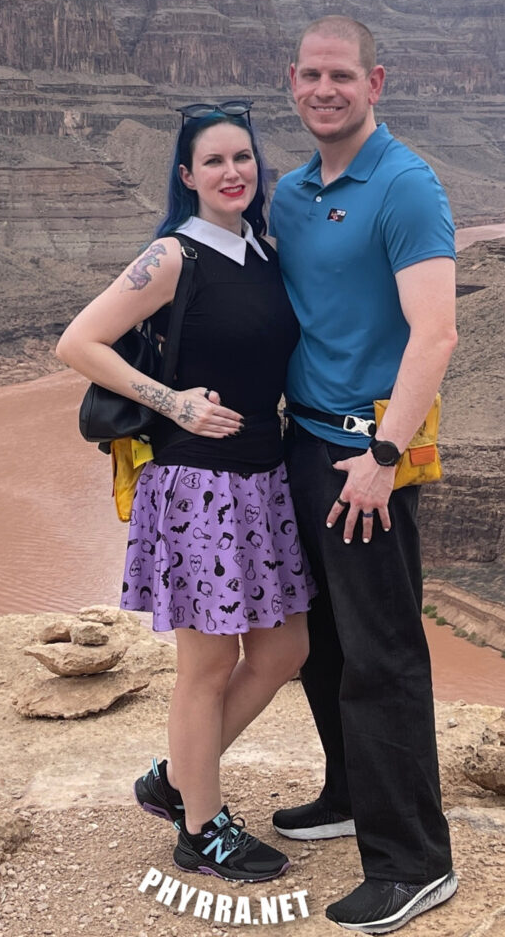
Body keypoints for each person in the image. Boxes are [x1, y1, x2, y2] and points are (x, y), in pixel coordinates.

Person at [55, 100, 313, 884]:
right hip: (198, 486)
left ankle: (173, 780)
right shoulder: (174, 257)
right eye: (215, 162)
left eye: (244, 159)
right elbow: (79, 341)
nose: (232, 172)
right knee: (207, 666)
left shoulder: (264, 254)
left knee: (283, 651)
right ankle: (202, 828)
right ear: (186, 176)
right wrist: (176, 403)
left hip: (264, 480)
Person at [268, 17, 460, 933]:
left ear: (374, 80)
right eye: (310, 75)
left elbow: (436, 333)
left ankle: (414, 861)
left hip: (367, 455)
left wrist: (384, 457)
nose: (324, 89)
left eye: (340, 74)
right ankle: (349, 795)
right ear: (291, 81)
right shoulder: (294, 191)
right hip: (303, 444)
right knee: (326, 645)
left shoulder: (406, 185)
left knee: (383, 655)